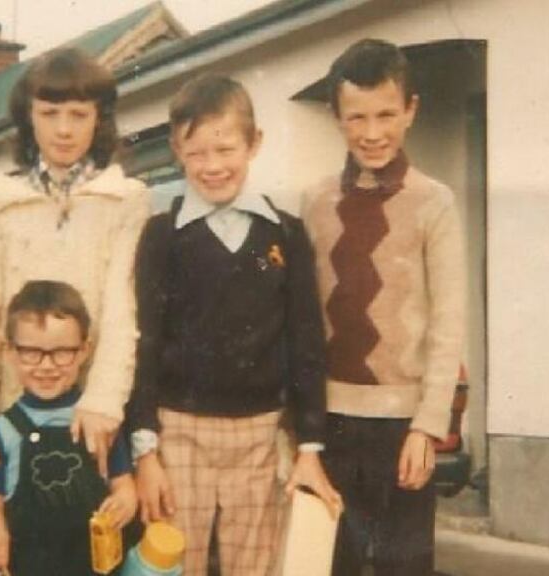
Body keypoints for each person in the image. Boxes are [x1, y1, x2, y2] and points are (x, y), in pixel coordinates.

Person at [127, 74, 341, 576]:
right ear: (177, 151)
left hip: (260, 436)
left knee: (255, 566)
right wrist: (145, 450)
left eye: (225, 148)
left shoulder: (285, 233)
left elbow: (307, 342)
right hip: (179, 433)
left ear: (254, 143)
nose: (212, 165)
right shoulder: (161, 235)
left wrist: (309, 446)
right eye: (196, 152)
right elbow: (145, 342)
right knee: (173, 565)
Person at [301, 39, 466, 575]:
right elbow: (301, 320)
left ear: (411, 110)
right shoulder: (314, 201)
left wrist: (428, 425)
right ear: (337, 117)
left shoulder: (433, 201)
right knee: (333, 564)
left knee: (403, 566)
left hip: (403, 430)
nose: (373, 133)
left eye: (387, 115)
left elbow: (448, 320)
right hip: (330, 425)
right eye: (358, 118)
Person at [0, 47, 149, 481]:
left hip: (91, 417)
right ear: (29, 117)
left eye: (79, 115)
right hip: (14, 413)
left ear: (100, 118)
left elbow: (121, 314)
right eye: (49, 113)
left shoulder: (125, 200)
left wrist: (102, 403)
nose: (64, 130)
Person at [0, 280, 137, 575]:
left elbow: (124, 484)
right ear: (9, 351)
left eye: (62, 352)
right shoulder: (3, 430)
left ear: (84, 350)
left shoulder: (100, 422)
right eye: (31, 352)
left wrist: (125, 503)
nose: (47, 366)